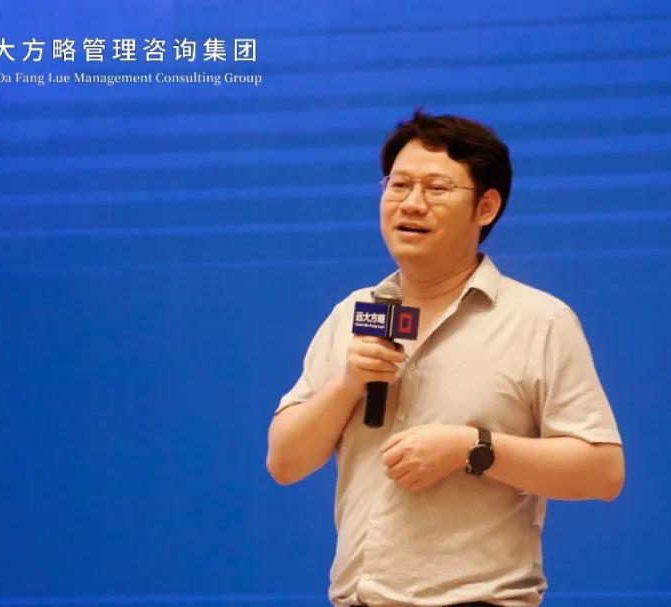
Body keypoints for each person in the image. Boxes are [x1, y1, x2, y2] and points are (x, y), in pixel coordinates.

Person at [266, 109, 624, 607]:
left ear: (486, 207)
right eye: (399, 185)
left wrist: (472, 449)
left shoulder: (539, 320)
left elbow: (602, 472)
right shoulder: (355, 312)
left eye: (436, 189)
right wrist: (346, 384)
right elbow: (284, 462)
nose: (411, 204)